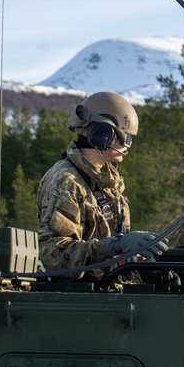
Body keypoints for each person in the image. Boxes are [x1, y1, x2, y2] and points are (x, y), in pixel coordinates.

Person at [37, 91, 167, 283]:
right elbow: (55, 256)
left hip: (109, 293)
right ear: (104, 135)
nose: (128, 145)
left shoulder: (106, 181)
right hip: (85, 302)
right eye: (125, 138)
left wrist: (141, 265)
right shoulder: (67, 182)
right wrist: (113, 246)